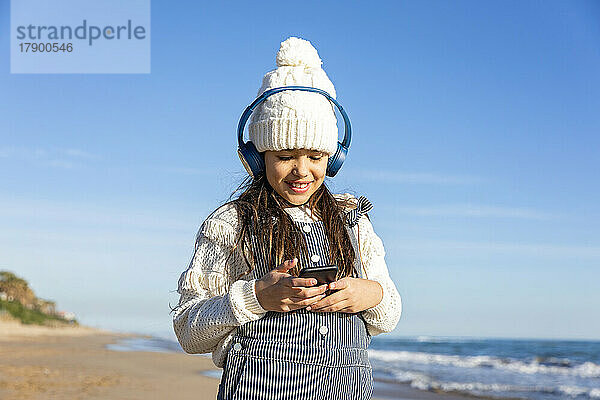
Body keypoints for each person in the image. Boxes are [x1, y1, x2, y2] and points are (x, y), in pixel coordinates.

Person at [171, 36, 402, 400]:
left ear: (334, 157)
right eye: (285, 156)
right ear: (258, 157)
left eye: (315, 156)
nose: (302, 170)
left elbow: (388, 316)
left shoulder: (353, 221)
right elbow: (188, 330)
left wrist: (368, 293)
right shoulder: (230, 223)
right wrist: (258, 296)